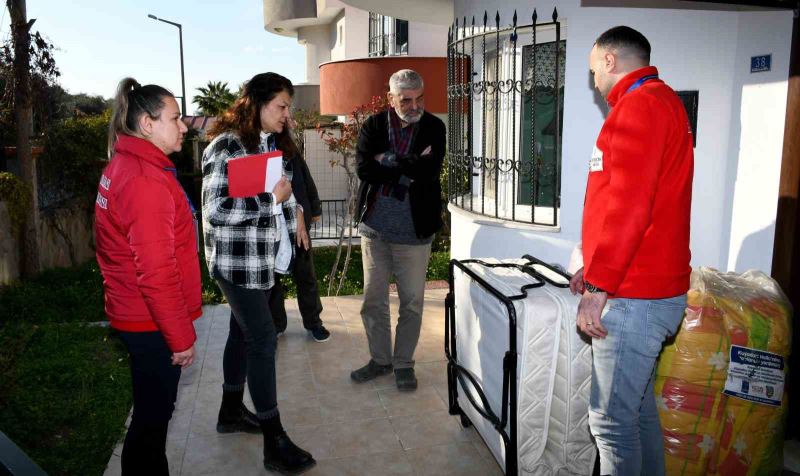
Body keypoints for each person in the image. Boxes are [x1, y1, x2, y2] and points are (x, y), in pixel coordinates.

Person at [570, 26, 694, 475]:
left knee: (609, 421)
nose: (596, 86)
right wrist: (594, 266)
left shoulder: (639, 107)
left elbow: (629, 208)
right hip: (647, 288)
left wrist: (599, 286)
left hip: (635, 297)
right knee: (637, 415)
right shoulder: (662, 103)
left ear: (609, 60)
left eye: (593, 74)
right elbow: (632, 205)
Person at [202, 72, 315, 474]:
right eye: (281, 106)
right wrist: (272, 201)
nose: (287, 114)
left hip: (259, 261)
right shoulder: (227, 146)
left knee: (240, 332)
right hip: (236, 263)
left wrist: (296, 210)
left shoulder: (266, 144)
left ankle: (230, 411)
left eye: (289, 106)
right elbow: (216, 210)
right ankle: (274, 441)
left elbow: (280, 192)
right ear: (257, 103)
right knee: (263, 339)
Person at [95, 77, 201, 475]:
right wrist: (180, 338)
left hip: (137, 313)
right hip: (149, 320)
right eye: (175, 118)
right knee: (153, 422)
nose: (184, 125)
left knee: (150, 417)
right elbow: (155, 273)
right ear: (147, 124)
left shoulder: (130, 165)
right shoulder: (143, 180)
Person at [350, 69, 446, 390]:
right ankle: (380, 360)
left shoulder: (434, 127)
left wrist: (387, 161)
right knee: (373, 301)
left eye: (420, 98)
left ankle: (404, 363)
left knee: (412, 303)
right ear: (391, 99)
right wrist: (408, 165)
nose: (415, 105)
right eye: (406, 99)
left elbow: (430, 171)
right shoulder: (374, 125)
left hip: (415, 235)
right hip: (375, 232)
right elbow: (365, 168)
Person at [267, 135, 331, 342]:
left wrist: (315, 207)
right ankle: (276, 324)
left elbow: (305, 177)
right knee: (272, 279)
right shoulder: (254, 150)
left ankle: (314, 323)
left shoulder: (288, 147)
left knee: (306, 275)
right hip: (270, 226)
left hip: (298, 224)